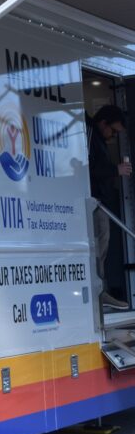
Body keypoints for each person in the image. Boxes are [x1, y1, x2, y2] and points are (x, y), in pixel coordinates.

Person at [88, 104, 132, 310]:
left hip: (101, 201)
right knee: (99, 246)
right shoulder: (90, 136)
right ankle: (99, 290)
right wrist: (116, 169)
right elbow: (89, 167)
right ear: (103, 123)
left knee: (102, 247)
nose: (113, 136)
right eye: (113, 131)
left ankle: (101, 289)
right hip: (95, 201)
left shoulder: (98, 139)